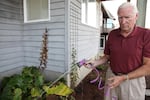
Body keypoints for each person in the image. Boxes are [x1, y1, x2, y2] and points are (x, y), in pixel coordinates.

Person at [86, 2, 150, 100]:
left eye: (127, 17)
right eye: (120, 17)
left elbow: (148, 67)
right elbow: (107, 57)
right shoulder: (112, 34)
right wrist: (95, 63)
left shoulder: (146, 35)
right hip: (112, 77)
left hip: (132, 81)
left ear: (136, 16)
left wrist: (124, 78)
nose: (123, 21)